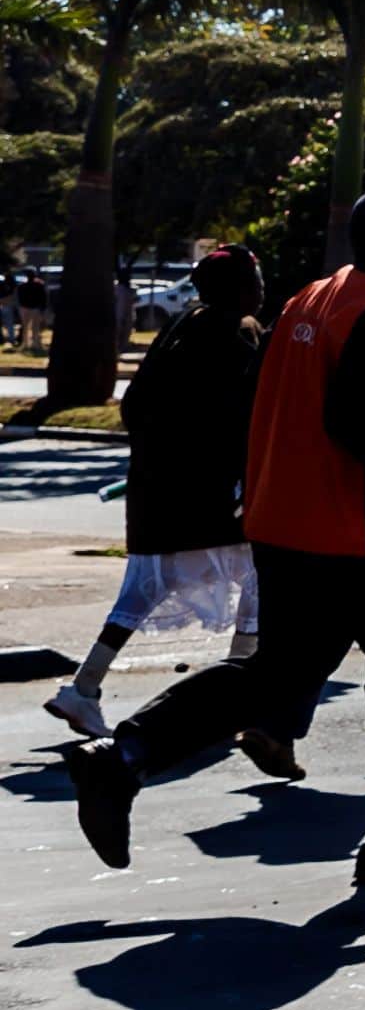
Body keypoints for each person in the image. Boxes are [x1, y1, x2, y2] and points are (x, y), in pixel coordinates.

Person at [64, 189, 365, 889]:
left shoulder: (314, 298)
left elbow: (257, 397)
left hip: (288, 527)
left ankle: (123, 754)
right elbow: (362, 424)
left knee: (275, 672)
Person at [45, 248, 263, 741]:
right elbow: (249, 414)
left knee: (142, 591)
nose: (262, 287)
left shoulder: (180, 329)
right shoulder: (242, 331)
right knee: (257, 582)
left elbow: (137, 407)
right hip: (213, 493)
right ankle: (233, 700)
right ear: (238, 287)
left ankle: (85, 686)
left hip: (157, 490)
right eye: (255, 277)